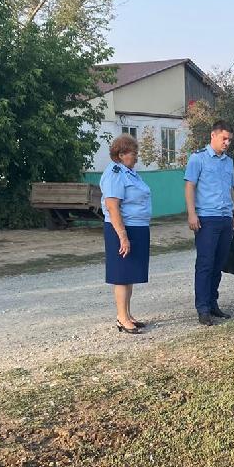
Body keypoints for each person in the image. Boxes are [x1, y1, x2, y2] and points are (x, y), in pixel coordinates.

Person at [184, 120, 234, 326]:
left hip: (225, 217)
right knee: (205, 264)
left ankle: (213, 303)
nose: (227, 143)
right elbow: (190, 187)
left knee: (219, 263)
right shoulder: (198, 158)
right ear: (213, 136)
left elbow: (231, 189)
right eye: (224, 138)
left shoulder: (228, 162)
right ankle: (203, 308)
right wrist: (192, 214)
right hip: (206, 218)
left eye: (229, 140)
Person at [99, 133, 152, 335]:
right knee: (121, 274)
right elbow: (113, 207)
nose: (136, 157)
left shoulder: (129, 173)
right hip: (122, 228)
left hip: (137, 227)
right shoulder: (114, 173)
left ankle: (127, 314)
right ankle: (121, 318)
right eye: (133, 153)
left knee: (129, 273)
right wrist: (122, 236)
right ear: (121, 154)